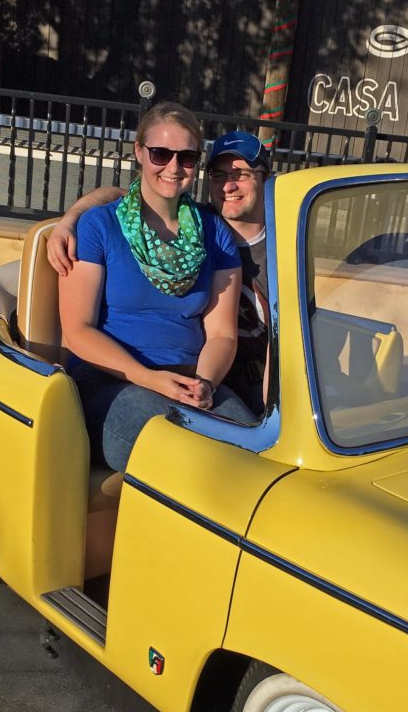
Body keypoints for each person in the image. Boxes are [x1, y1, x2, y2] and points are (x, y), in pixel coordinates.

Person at [58, 102, 255, 473]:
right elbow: (77, 330)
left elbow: (223, 334)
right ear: (139, 151)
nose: (173, 167)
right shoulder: (99, 226)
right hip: (113, 377)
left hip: (190, 379)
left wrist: (205, 383)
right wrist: (149, 378)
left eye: (187, 157)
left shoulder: (214, 235)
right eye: (161, 154)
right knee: (176, 459)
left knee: (255, 453)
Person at [48, 130, 270, 415]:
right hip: (134, 377)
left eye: (242, 174)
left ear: (266, 178)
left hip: (235, 379)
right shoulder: (201, 224)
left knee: (245, 443)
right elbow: (118, 196)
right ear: (139, 151)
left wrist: (207, 385)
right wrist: (69, 219)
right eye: (218, 175)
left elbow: (275, 341)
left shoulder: (270, 247)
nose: (228, 186)